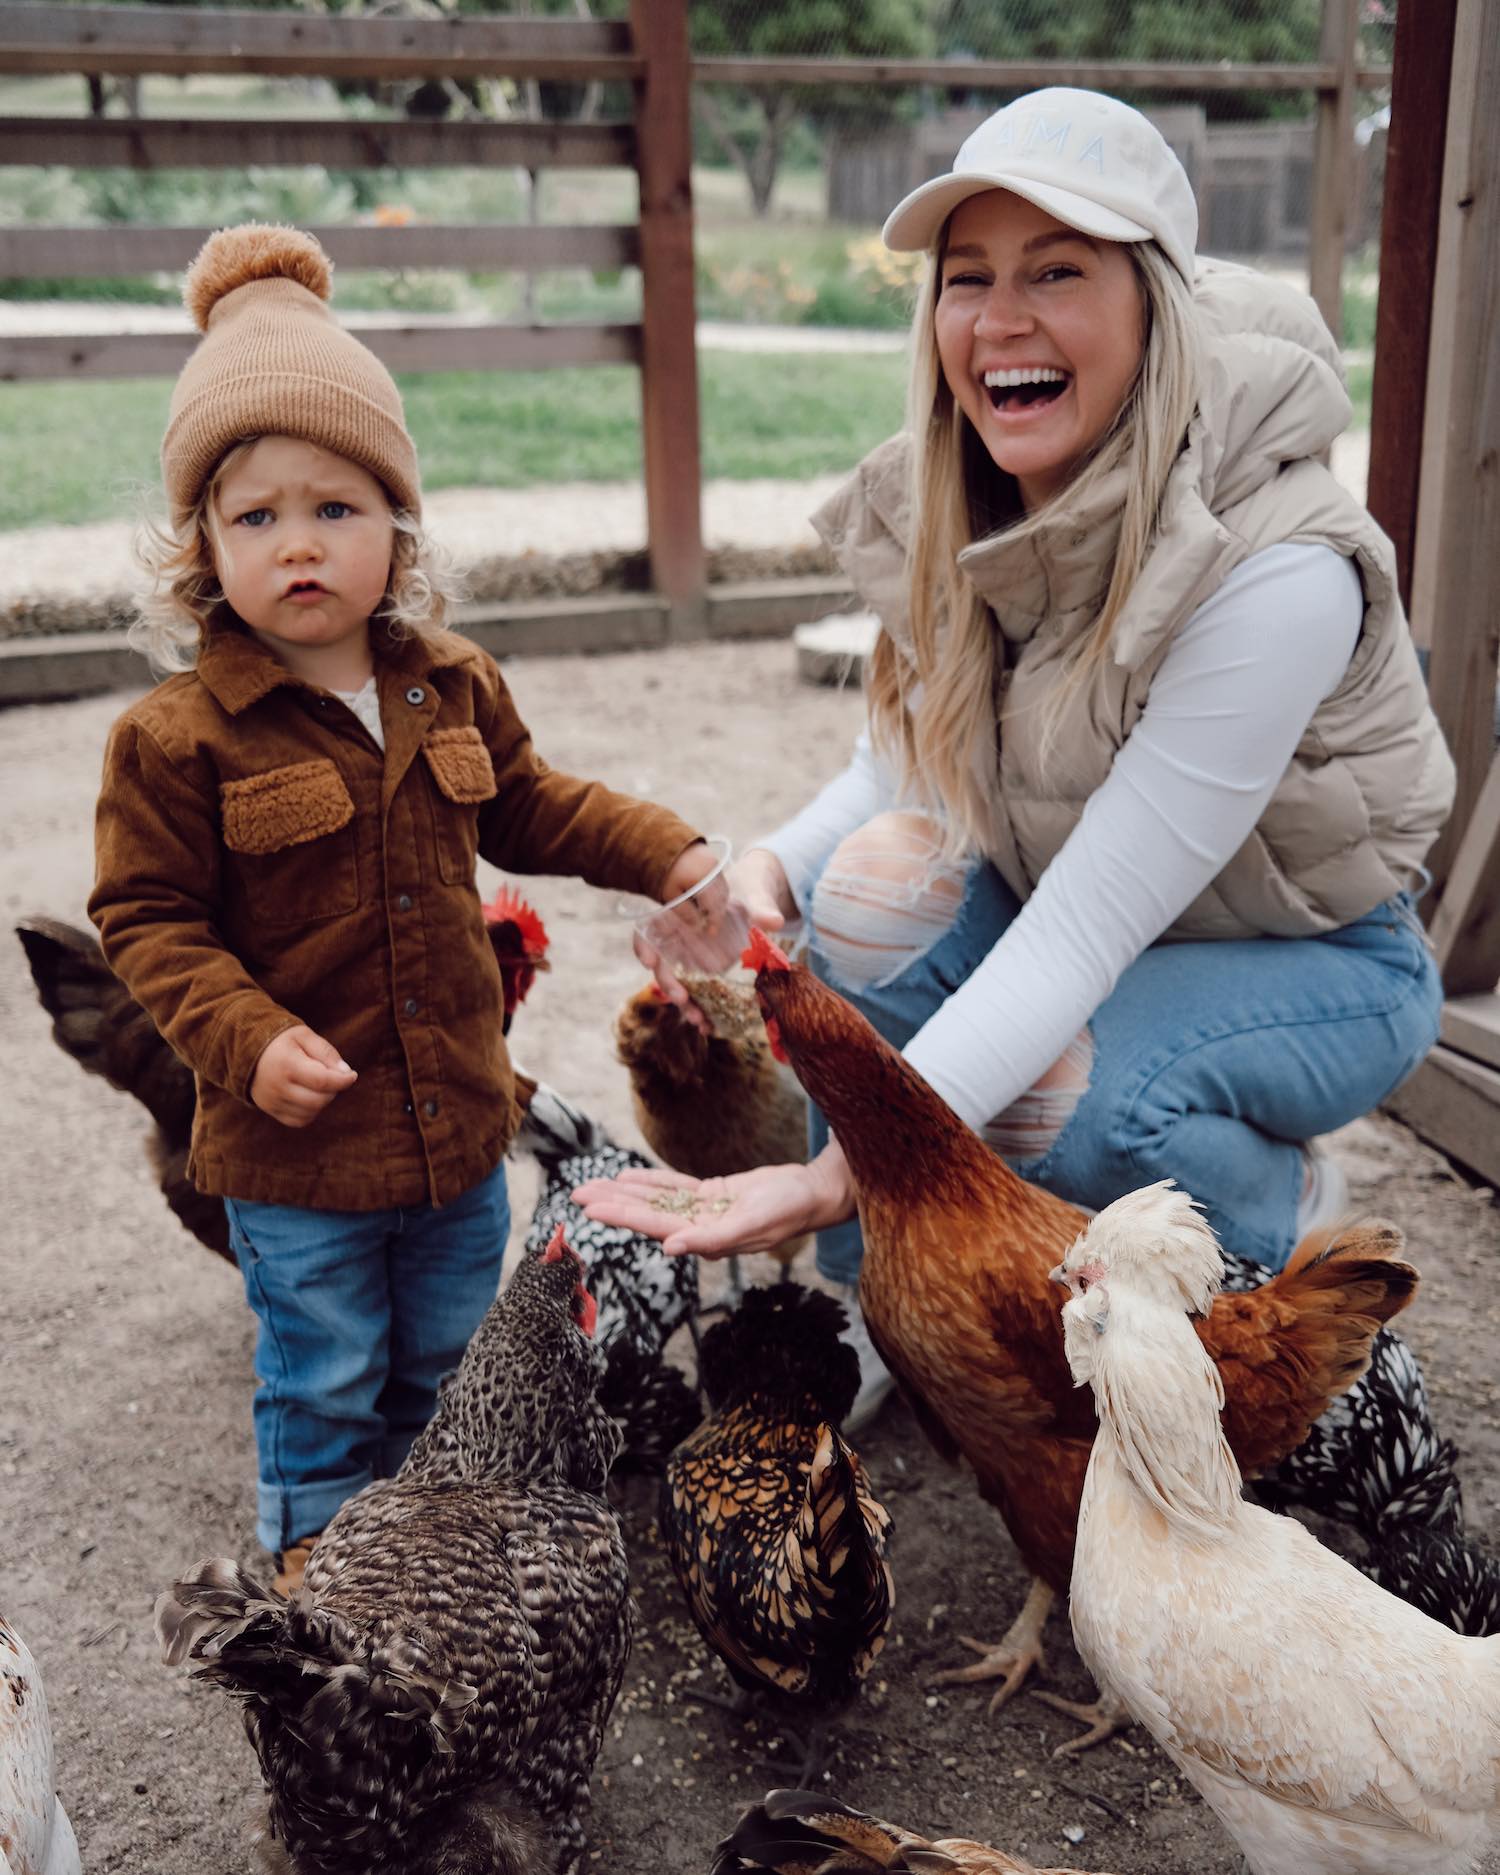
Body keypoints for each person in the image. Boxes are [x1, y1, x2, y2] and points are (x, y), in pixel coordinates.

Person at [577, 88, 1453, 1424]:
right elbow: (911, 769)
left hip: (1312, 957)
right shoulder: (987, 501)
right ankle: (884, 1315)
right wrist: (767, 869)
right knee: (873, 884)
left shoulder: (1279, 570)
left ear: (1155, 304)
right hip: (1101, 934)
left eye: (1057, 272)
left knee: (1065, 1097)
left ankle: (1262, 1200)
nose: (1000, 320)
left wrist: (828, 1174)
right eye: (966, 278)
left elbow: (1086, 925)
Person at [89, 224, 718, 1589]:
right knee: (324, 1368)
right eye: (255, 516)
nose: (298, 545)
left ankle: (439, 1543)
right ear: (200, 543)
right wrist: (245, 1036)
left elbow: (534, 805)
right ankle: (316, 1565)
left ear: (397, 523)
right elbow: (145, 922)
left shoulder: (451, 684)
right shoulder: (176, 737)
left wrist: (664, 849)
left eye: (335, 507)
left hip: (453, 1137)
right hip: (295, 1157)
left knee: (446, 1358)